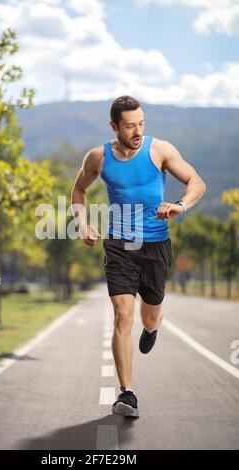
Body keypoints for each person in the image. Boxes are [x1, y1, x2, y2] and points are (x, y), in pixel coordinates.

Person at [70, 95, 206, 418]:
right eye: (130, 126)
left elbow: (196, 182)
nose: (137, 131)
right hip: (119, 245)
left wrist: (180, 204)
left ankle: (153, 327)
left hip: (156, 245)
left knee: (149, 316)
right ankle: (127, 394)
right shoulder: (98, 158)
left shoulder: (159, 150)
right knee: (122, 315)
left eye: (141, 124)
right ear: (114, 126)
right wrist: (82, 222)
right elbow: (78, 190)